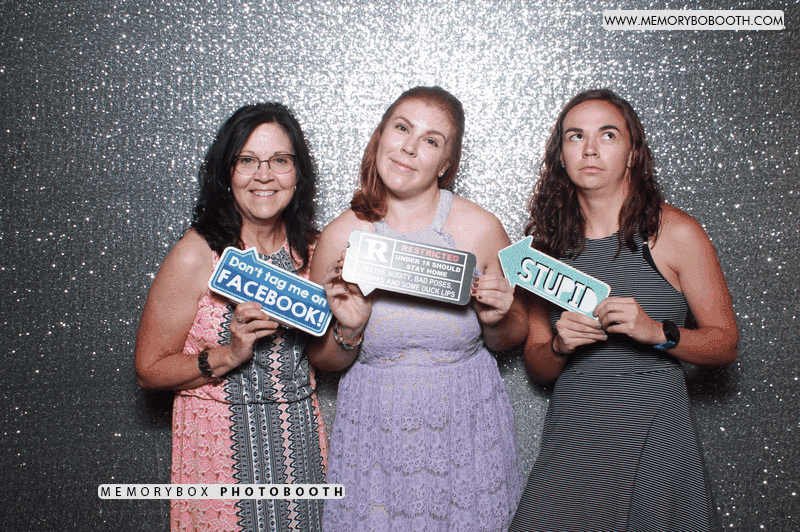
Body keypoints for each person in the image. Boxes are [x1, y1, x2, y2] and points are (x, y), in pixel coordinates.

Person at [509, 88, 739, 532]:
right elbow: (538, 365)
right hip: (575, 437)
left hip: (654, 436)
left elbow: (725, 344)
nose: (590, 149)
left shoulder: (674, 233)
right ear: (560, 155)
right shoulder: (544, 251)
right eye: (576, 136)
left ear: (632, 153)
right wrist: (558, 346)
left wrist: (658, 332)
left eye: (608, 135)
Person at [307, 86, 526, 531]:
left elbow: (512, 336)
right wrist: (350, 330)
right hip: (376, 434)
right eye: (402, 128)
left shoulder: (481, 228)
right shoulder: (338, 237)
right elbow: (323, 360)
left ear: (445, 164)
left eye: (430, 140)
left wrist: (496, 319)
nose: (409, 147)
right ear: (380, 136)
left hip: (465, 427)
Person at [135, 103, 328, 532]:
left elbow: (326, 357)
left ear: (298, 174)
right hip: (220, 450)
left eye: (280, 160)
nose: (264, 175)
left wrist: (351, 324)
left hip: (300, 447)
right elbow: (148, 370)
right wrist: (229, 353)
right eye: (247, 160)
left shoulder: (314, 253)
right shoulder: (196, 254)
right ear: (227, 172)